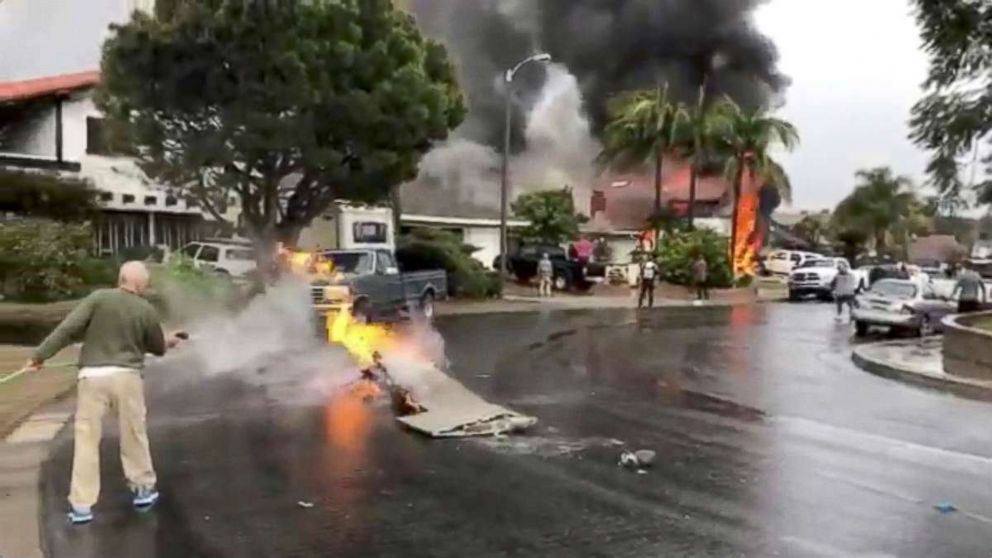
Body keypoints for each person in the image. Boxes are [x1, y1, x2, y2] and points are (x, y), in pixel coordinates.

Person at [24, 261, 184, 525]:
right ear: (141, 284)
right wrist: (168, 341)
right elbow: (157, 347)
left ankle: (81, 507)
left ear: (120, 278)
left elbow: (67, 329)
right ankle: (142, 489)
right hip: (126, 378)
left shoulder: (98, 298)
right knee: (133, 434)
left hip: (92, 378)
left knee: (86, 441)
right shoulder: (145, 308)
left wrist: (39, 356)